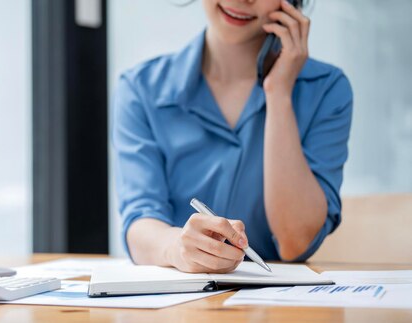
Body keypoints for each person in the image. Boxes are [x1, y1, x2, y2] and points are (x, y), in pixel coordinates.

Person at [112, 0, 352, 273]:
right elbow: (141, 224)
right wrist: (178, 247)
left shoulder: (326, 90)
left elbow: (295, 242)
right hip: (181, 303)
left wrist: (279, 93)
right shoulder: (140, 89)